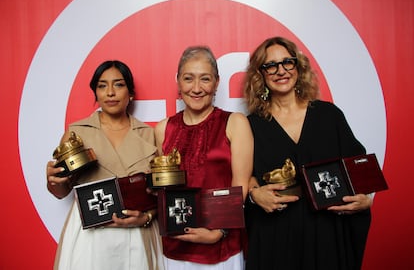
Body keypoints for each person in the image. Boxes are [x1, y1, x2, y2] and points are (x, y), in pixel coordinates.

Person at [243, 36, 372, 270]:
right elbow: (243, 174)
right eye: (270, 65)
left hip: (326, 234)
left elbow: (358, 168)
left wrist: (365, 200)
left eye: (287, 62)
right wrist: (254, 195)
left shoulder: (329, 115)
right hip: (276, 236)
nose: (280, 71)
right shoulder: (250, 125)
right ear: (259, 74)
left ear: (298, 67)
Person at [46, 60, 164, 270]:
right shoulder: (76, 133)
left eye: (118, 84)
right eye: (102, 85)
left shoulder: (148, 134)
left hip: (136, 234)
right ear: (96, 93)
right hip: (89, 235)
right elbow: (61, 191)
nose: (110, 92)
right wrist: (53, 180)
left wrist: (146, 217)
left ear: (131, 92)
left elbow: (160, 193)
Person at [154, 46, 253, 269]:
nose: (196, 88)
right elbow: (161, 188)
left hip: (221, 246)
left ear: (217, 82)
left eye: (205, 79)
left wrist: (219, 231)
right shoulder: (163, 129)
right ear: (178, 81)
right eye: (188, 79)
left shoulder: (235, 123)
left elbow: (241, 185)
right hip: (175, 246)